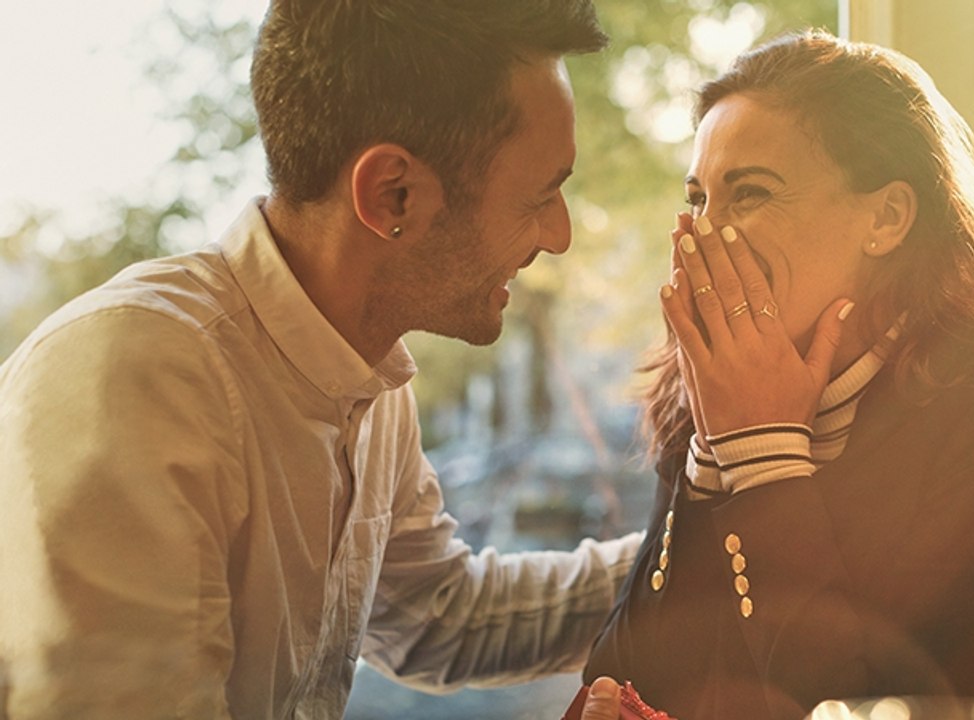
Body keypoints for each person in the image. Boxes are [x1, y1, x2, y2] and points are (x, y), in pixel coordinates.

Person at [0, 1, 641, 717]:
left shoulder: (370, 374)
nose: (559, 236)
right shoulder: (135, 379)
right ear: (391, 192)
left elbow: (439, 615)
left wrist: (703, 545)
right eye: (541, 194)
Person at [582, 31, 974, 719]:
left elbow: (851, 702)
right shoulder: (704, 391)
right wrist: (712, 455)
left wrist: (760, 452)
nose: (704, 235)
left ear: (886, 217)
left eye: (750, 194)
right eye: (700, 199)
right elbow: (625, 676)